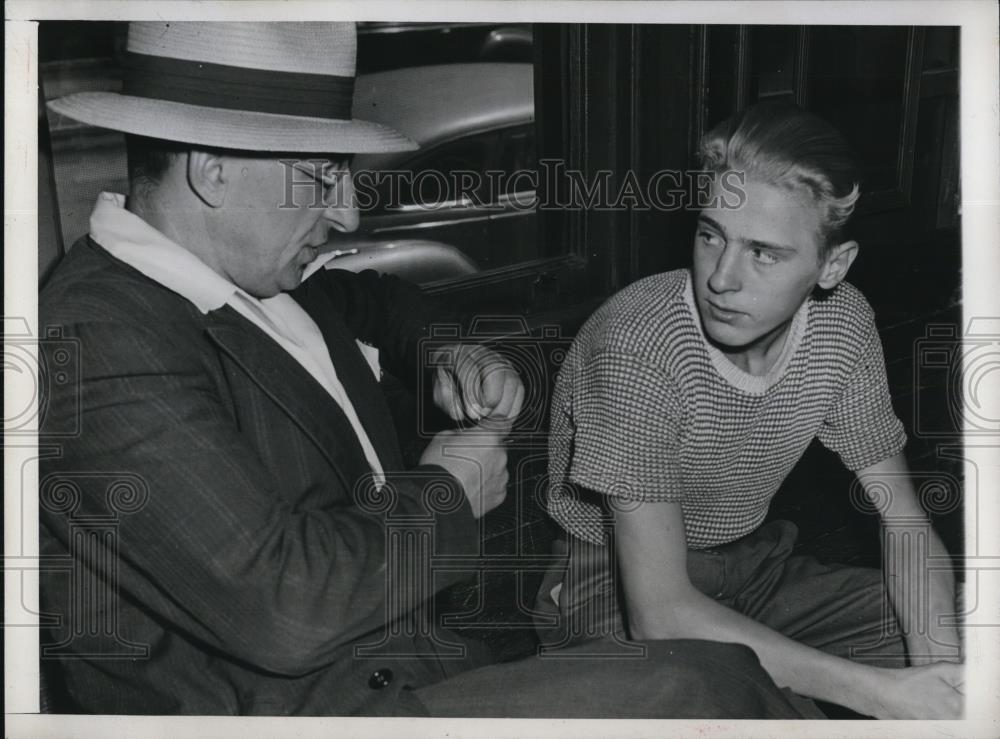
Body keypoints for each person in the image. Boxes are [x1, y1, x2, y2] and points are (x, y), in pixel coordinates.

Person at [38, 21, 807, 718]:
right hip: (322, 711)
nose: (345, 214)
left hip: (424, 657)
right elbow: (284, 606)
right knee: (712, 685)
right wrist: (451, 493)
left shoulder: (250, 274)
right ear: (212, 170)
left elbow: (378, 302)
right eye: (321, 174)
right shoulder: (98, 337)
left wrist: (446, 353)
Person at [541, 102, 965, 719]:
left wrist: (945, 680)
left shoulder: (842, 324)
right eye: (711, 235)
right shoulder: (637, 343)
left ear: (832, 266)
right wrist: (891, 699)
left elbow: (902, 522)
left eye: (764, 253)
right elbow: (660, 614)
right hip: (609, 585)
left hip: (756, 567)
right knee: (758, 707)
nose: (721, 278)